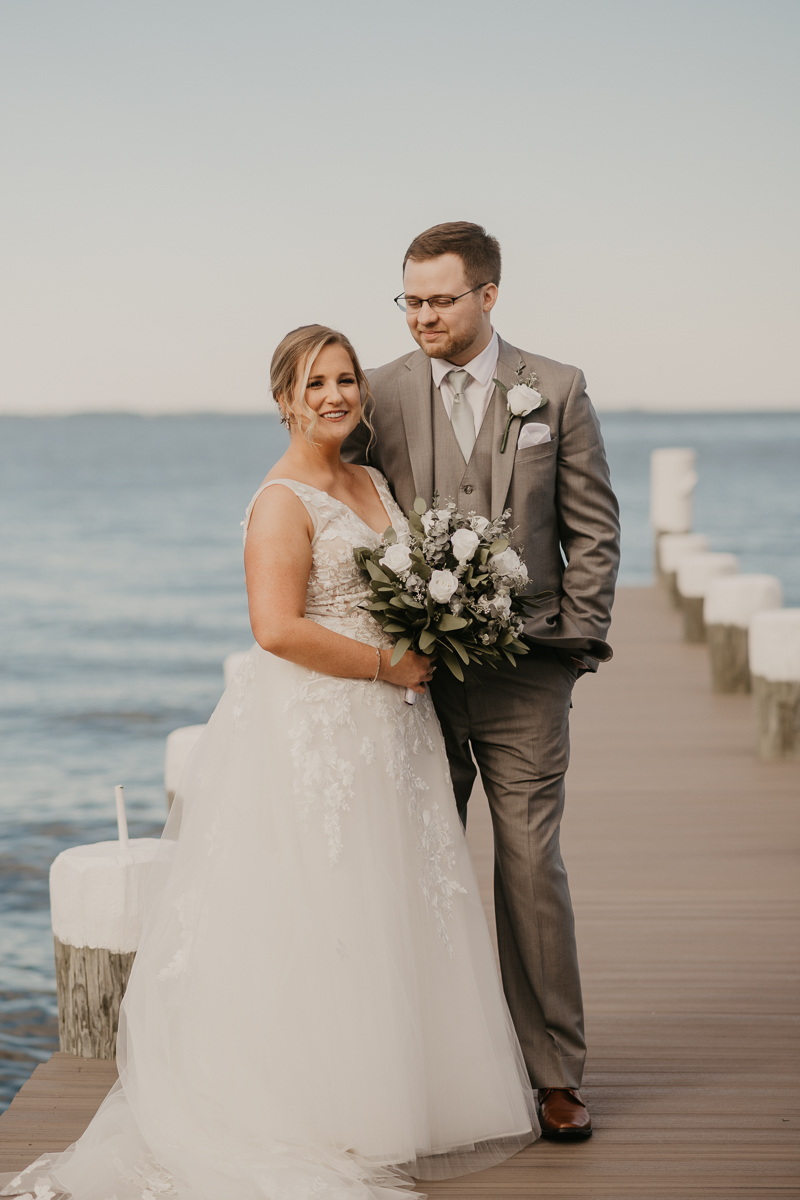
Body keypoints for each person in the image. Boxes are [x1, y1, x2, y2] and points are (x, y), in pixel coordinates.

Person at [1, 325, 538, 1200]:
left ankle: (390, 1097)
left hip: (392, 730)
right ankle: (309, 1106)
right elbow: (276, 629)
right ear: (284, 398)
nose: (335, 395)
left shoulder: (369, 480)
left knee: (385, 909)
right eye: (315, 383)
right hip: (321, 726)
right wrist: (388, 664)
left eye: (347, 380)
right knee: (317, 910)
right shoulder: (283, 499)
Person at [343, 222, 621, 1139]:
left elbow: (594, 529)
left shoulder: (557, 388)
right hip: (412, 678)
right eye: (410, 299)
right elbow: (339, 517)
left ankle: (555, 1074)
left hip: (529, 673)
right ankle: (424, 1071)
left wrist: (576, 644)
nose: (421, 315)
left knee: (529, 864)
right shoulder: (376, 392)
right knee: (414, 866)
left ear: (488, 296)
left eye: (439, 299)